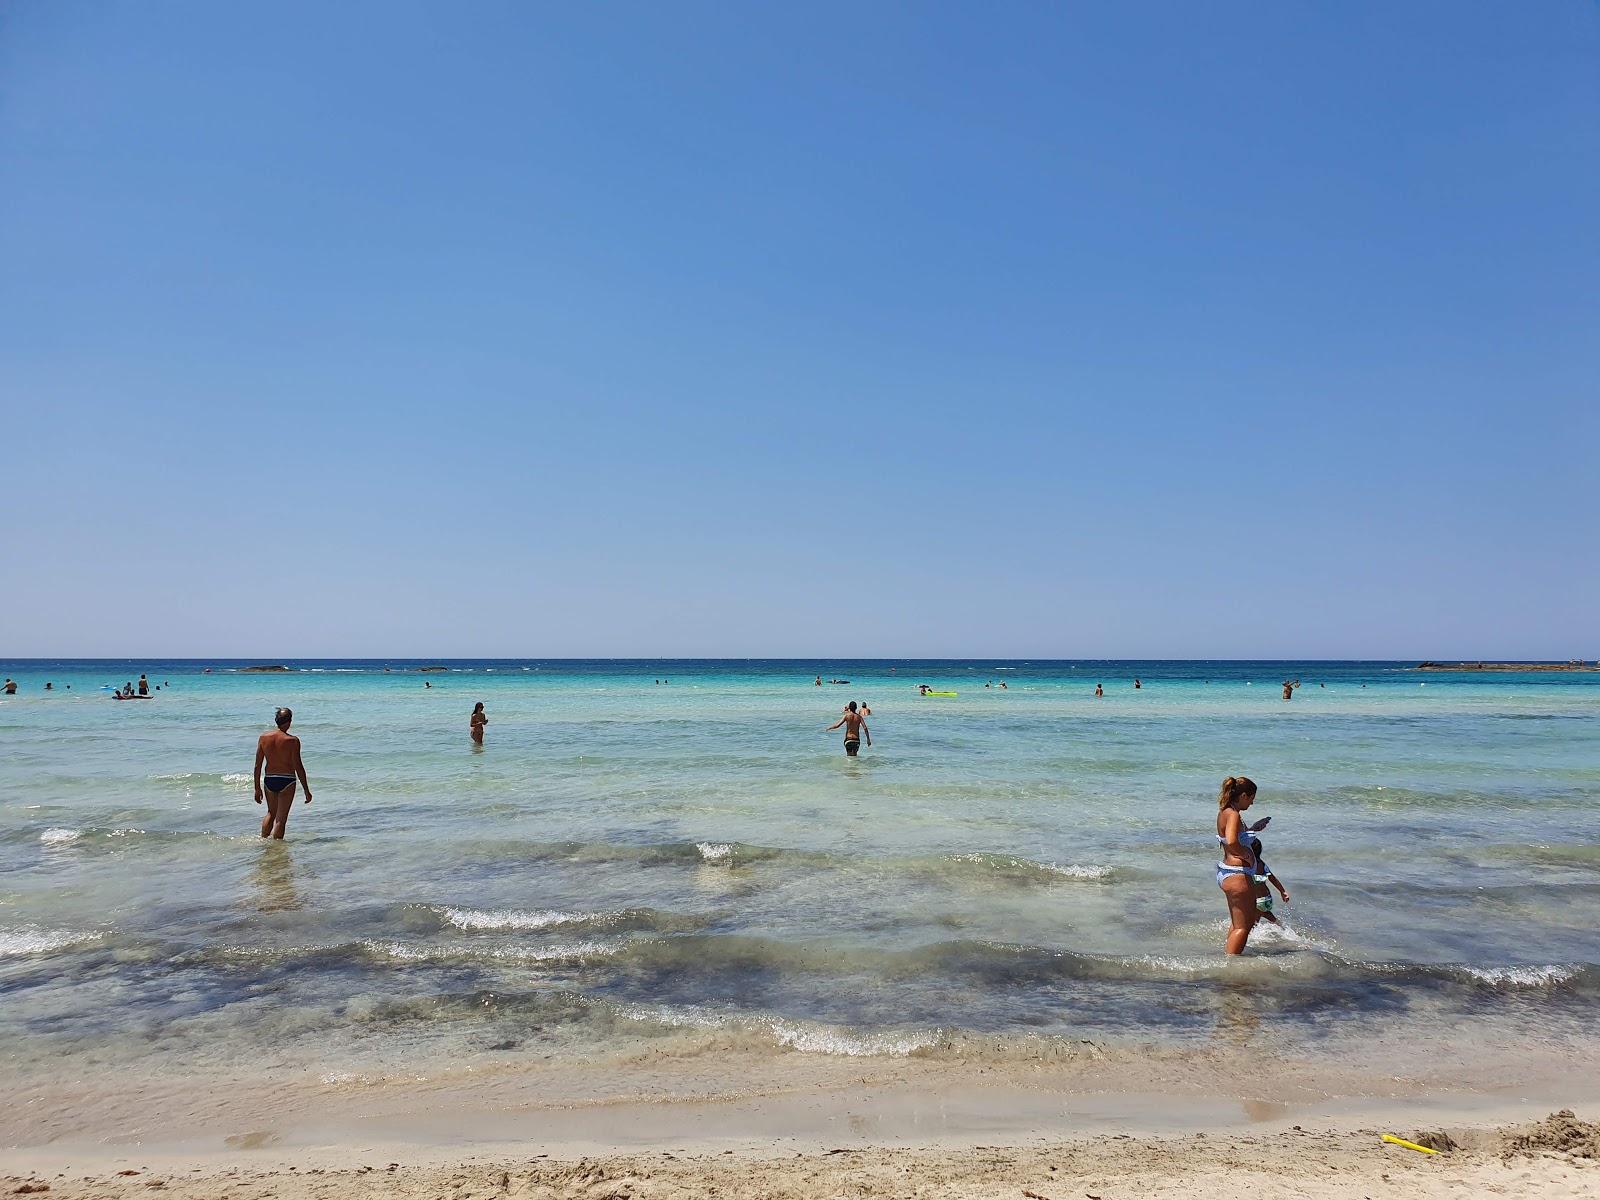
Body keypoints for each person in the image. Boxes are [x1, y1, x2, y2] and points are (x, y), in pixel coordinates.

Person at [1216, 776, 1267, 954]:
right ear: (1244, 795)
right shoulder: (1234, 814)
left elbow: (1234, 836)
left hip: (1228, 872)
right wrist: (1247, 855)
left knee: (1238, 923)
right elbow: (1231, 841)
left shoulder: (1225, 811)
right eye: (1252, 799)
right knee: (1244, 927)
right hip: (1238, 873)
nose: (1251, 804)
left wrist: (1252, 829)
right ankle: (1231, 970)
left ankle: (1228, 958)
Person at [254, 707, 311, 840]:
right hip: (287, 780)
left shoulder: (264, 738)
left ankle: (263, 842)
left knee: (270, 813)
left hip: (269, 780)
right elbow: (298, 766)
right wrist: (306, 790)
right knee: (281, 819)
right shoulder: (292, 741)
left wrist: (257, 788)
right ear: (290, 722)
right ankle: (277, 850)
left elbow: (258, 766)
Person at [1243, 828, 1290, 924]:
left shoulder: (1249, 866)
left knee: (1252, 924)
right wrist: (1282, 891)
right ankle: (1278, 924)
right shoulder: (1262, 864)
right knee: (1265, 913)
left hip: (1257, 901)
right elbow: (1273, 879)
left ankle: (1251, 937)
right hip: (1267, 899)